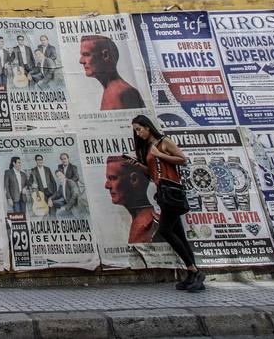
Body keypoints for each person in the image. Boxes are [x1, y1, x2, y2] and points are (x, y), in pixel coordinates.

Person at [129, 114, 202, 291]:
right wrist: (140, 166)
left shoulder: (163, 142)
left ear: (147, 127)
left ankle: (194, 270)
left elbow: (182, 159)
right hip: (162, 192)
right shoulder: (148, 147)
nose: (138, 134)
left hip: (172, 191)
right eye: (136, 131)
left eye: (139, 129)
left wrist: (159, 154)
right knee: (180, 235)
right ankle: (193, 274)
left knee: (165, 230)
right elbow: (154, 172)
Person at [79, 35, 145, 110]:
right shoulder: (111, 91)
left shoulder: (123, 93)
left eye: (86, 54)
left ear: (105, 55)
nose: (81, 61)